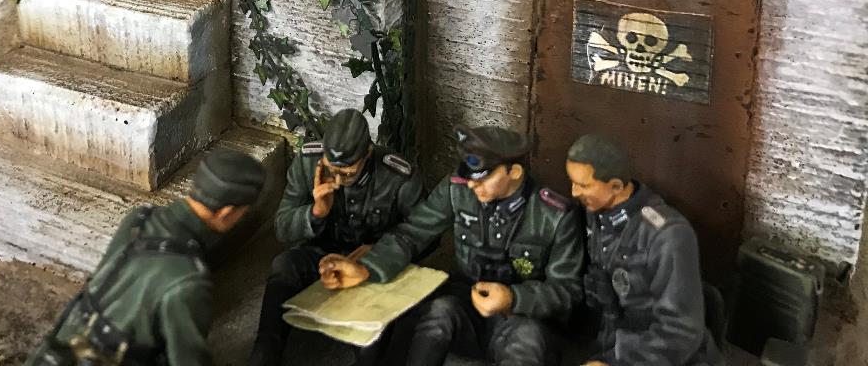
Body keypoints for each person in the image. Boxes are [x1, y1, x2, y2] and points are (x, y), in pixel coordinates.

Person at [321, 126, 584, 366]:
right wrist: (367, 267)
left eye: (483, 178)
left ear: (514, 172)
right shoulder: (457, 190)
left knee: (528, 340)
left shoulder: (555, 216)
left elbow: (567, 291)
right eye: (469, 176)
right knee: (439, 313)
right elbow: (413, 232)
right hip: (467, 305)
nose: (472, 184)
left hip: (522, 317)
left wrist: (513, 298)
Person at [25, 147, 266, 366]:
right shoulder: (189, 280)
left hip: (60, 348)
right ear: (227, 213)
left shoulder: (140, 218)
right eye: (242, 213)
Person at [249, 107, 424, 366]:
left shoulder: (398, 177)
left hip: (373, 265)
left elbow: (425, 233)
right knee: (284, 266)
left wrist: (381, 253)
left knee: (373, 344)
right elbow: (282, 227)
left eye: (349, 173)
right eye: (334, 171)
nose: (340, 180)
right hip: (323, 255)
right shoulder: (308, 162)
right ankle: (265, 351)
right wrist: (316, 212)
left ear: (367, 154)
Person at [566, 134, 723, 366]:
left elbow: (680, 332)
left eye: (584, 185)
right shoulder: (596, 213)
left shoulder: (667, 234)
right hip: (615, 344)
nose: (574, 193)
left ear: (615, 186)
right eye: (573, 183)